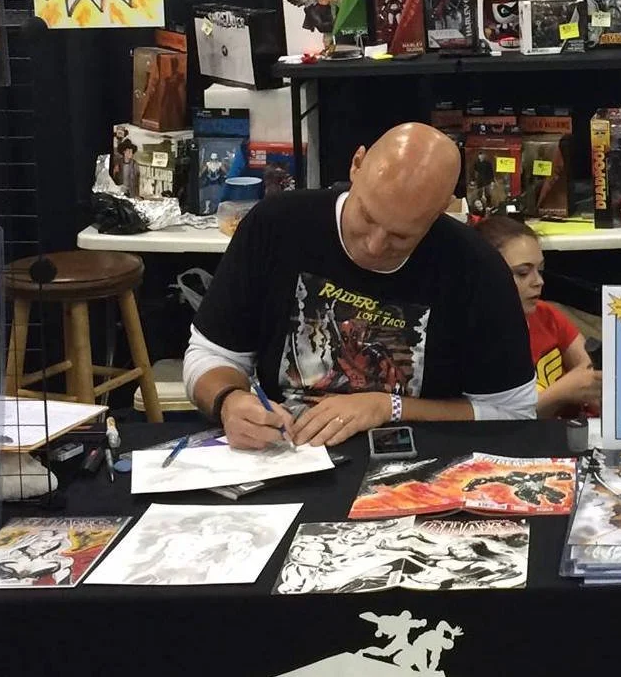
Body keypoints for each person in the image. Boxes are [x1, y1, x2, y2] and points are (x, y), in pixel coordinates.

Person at [184, 123, 536, 450]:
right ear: (356, 164)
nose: (374, 245)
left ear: (441, 209)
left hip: (416, 468)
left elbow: (513, 413)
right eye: (366, 216)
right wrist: (229, 400)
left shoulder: (475, 268)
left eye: (401, 236)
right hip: (284, 456)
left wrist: (392, 407)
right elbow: (211, 354)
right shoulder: (276, 226)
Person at [473, 216, 600, 418]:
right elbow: (493, 422)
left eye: (539, 270)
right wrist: (562, 392)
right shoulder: (473, 340)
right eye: (523, 273)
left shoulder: (545, 315)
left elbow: (590, 367)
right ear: (483, 274)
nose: (538, 281)